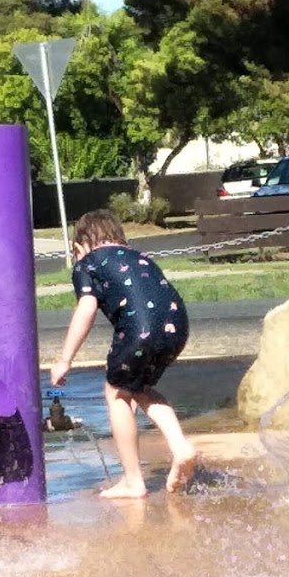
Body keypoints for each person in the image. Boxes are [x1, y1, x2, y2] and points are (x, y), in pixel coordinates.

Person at [50, 209, 197, 498]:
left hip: (139, 330)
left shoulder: (87, 263)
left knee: (115, 393)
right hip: (177, 326)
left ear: (79, 247)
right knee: (139, 389)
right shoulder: (139, 256)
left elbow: (86, 309)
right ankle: (181, 446)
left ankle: (132, 481)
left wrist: (64, 360)